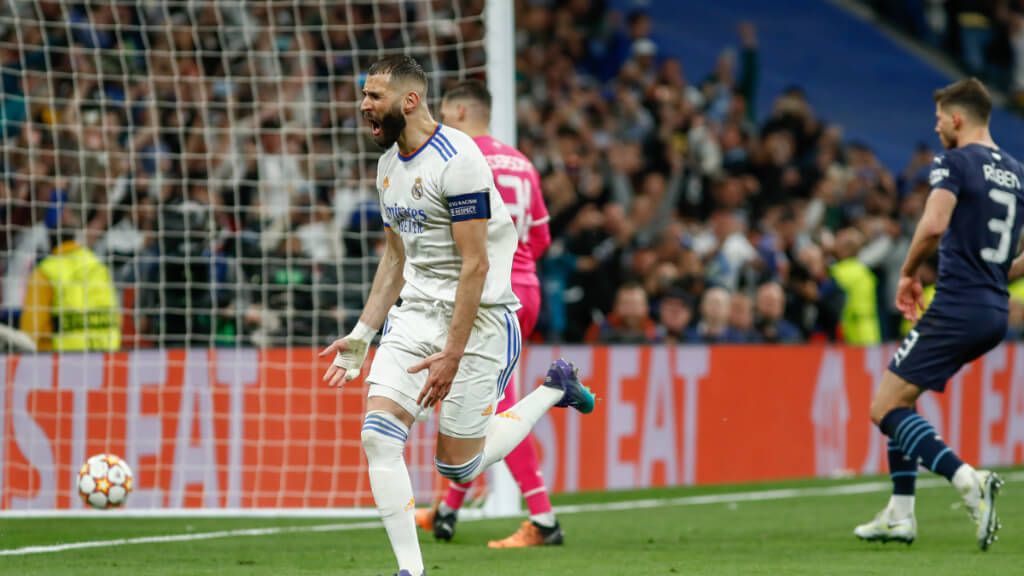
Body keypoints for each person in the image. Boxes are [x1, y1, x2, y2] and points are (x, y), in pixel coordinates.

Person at [320, 57, 594, 576]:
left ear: (410, 101)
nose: (363, 106)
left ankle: (554, 388)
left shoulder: (458, 159)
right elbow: (396, 259)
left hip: (482, 317)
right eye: (364, 96)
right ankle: (411, 569)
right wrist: (361, 335)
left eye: (374, 96)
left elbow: (476, 264)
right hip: (417, 313)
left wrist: (452, 352)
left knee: (458, 464)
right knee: (379, 435)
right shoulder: (385, 168)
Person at [853, 78, 1012, 550]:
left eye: (940, 117)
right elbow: (1015, 256)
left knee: (884, 408)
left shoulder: (956, 161)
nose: (936, 125)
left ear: (957, 118)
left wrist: (907, 273)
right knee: (903, 397)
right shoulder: (1018, 172)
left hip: (958, 303)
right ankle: (900, 514)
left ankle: (968, 480)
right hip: (992, 310)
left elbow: (933, 224)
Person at [410, 79, 561, 548]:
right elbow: (541, 241)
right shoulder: (522, 162)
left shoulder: (460, 161)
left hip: (490, 294)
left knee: (497, 410)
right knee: (478, 404)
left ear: (457, 111)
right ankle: (447, 511)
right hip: (526, 288)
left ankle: (543, 519)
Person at [20, 191, 121, 351]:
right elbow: (117, 316)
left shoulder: (45, 272)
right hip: (107, 360)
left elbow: (30, 330)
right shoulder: (98, 266)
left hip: (61, 364)